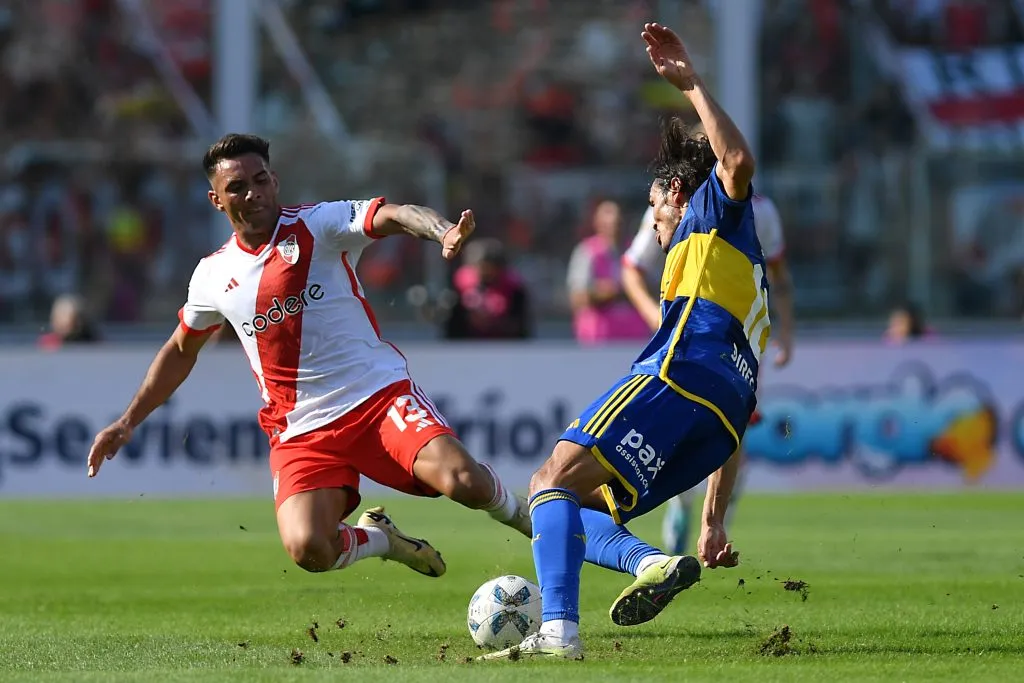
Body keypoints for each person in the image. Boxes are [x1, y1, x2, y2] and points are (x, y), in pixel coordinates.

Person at [87, 133, 530, 581]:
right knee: (308, 549)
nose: (253, 193)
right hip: (301, 428)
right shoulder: (212, 275)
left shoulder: (319, 224)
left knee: (464, 483)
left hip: (376, 398)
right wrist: (127, 421)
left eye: (260, 180)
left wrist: (443, 231)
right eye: (237, 187)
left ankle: (528, 519)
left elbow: (395, 214)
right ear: (216, 199)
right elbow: (181, 349)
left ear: (275, 181)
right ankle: (382, 540)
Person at [482, 23, 762, 660]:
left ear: (672, 194)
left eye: (653, 211)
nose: (655, 226)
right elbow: (742, 412)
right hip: (721, 421)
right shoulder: (742, 274)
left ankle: (559, 630)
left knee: (547, 481)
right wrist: (713, 520)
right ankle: (649, 564)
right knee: (581, 502)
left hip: (677, 373)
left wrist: (689, 84)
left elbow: (737, 163)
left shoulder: (711, 213)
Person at [622, 168, 796, 556]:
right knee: (687, 424)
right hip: (688, 334)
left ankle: (716, 521)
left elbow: (779, 274)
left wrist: (787, 330)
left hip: (739, 337)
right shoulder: (670, 206)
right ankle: (684, 505)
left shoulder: (760, 210)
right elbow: (632, 269)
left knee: (733, 429)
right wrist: (659, 319)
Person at [566, 199, 649, 345]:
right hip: (597, 340)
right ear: (597, 223)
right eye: (608, 222)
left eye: (618, 222)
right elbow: (577, 297)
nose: (614, 227)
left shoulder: (637, 250)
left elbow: (655, 288)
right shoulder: (587, 252)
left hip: (636, 339)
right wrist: (604, 292)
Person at [443, 238, 531, 339]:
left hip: (504, 345)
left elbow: (521, 326)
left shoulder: (514, 289)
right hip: (466, 345)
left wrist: (494, 323)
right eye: (481, 266)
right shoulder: (459, 286)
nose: (485, 272)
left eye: (489, 267)